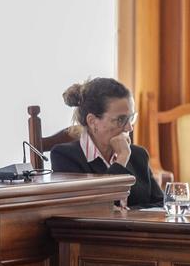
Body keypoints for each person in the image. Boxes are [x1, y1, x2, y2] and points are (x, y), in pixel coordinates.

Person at [50, 77, 163, 208]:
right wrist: (121, 159)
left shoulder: (138, 155)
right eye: (121, 119)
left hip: (140, 229)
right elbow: (98, 207)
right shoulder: (65, 156)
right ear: (92, 122)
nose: (129, 128)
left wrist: (127, 212)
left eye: (131, 118)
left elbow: (161, 204)